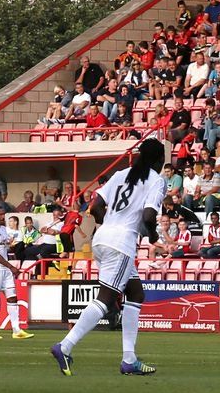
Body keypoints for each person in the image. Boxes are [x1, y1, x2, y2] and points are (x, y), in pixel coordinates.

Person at [51, 138, 167, 377]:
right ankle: (65, 346)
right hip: (121, 243)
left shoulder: (121, 174)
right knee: (105, 298)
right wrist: (154, 236)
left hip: (102, 239)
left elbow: (95, 205)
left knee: (136, 294)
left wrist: (110, 223)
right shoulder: (156, 181)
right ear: (159, 159)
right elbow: (147, 216)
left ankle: (129, 360)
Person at [0, 209, 32, 340]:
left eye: (4, 214)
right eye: (0, 215)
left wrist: (13, 244)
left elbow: (4, 246)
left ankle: (16, 330)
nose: (3, 217)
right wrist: (10, 266)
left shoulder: (3, 229)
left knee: (12, 297)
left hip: (5, 267)